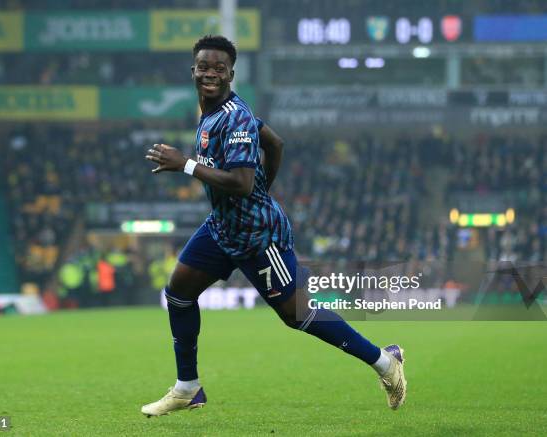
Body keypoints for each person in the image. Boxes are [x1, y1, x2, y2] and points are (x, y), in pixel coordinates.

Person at [142, 35, 407, 417]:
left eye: (219, 68)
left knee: (297, 314)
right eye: (204, 67)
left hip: (257, 236)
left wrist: (185, 164)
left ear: (232, 73)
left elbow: (241, 183)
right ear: (194, 71)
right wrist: (260, 190)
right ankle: (187, 388)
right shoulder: (211, 111)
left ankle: (386, 363)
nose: (210, 74)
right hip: (222, 227)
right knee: (179, 291)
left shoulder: (234, 117)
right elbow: (276, 143)